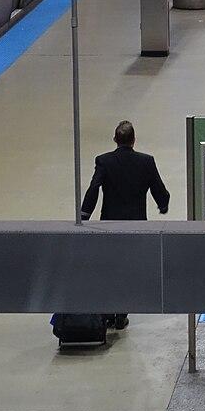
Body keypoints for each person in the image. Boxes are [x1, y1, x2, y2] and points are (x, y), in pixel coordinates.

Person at [80, 121, 170, 330]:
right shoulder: (146, 162)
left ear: (115, 140)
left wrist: (84, 214)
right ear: (134, 140)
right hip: (136, 226)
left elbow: (94, 188)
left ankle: (108, 311)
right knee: (128, 269)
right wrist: (163, 205)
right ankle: (121, 313)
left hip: (109, 224)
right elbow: (159, 189)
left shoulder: (104, 161)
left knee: (109, 266)